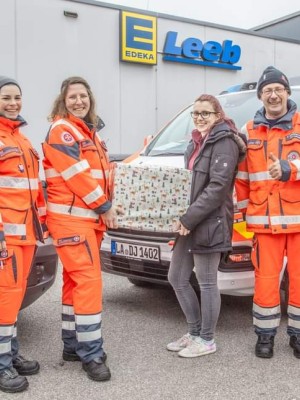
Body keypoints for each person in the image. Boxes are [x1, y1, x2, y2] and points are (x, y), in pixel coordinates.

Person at [42, 76, 122, 382]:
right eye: (73, 96)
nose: (79, 101)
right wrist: (105, 206)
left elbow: (102, 173)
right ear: (63, 101)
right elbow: (78, 176)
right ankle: (91, 352)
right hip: (73, 220)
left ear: (90, 99)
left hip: (84, 220)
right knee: (89, 283)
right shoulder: (63, 129)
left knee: (75, 283)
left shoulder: (88, 132)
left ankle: (73, 345)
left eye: (83, 96)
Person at [167, 94, 246, 358]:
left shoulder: (224, 142)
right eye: (196, 113)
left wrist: (188, 218)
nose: (200, 117)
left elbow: (217, 187)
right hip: (189, 222)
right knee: (176, 277)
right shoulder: (196, 143)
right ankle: (194, 332)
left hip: (209, 222)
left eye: (206, 113)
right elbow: (187, 186)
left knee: (207, 281)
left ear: (218, 116)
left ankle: (207, 339)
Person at [235, 66, 300, 359]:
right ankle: (265, 335)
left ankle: (297, 336)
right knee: (265, 281)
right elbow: (242, 179)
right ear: (261, 96)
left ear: (287, 93)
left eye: (278, 89)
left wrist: (290, 169)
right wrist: (241, 215)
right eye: (267, 91)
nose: (273, 95)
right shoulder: (248, 130)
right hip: (264, 223)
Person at [0, 76, 47, 393]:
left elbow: (32, 192)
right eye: (6, 98)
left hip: (27, 236)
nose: (13, 102)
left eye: (17, 97)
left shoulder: (21, 139)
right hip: (7, 238)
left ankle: (11, 354)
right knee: (4, 300)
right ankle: (2, 365)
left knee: (14, 299)